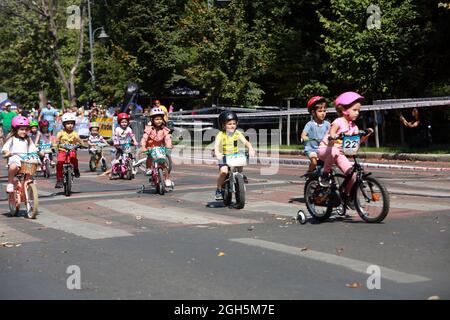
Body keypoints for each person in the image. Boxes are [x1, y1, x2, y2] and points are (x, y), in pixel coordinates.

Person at [317, 92, 373, 205]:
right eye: (355, 110)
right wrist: (333, 135)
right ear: (344, 110)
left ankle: (346, 195)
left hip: (339, 154)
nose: (357, 113)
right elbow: (332, 132)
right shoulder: (338, 122)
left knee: (353, 175)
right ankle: (324, 175)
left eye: (358, 110)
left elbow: (357, 142)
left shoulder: (354, 127)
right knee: (334, 150)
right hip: (326, 150)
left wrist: (366, 135)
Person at [213, 111, 256, 201]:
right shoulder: (221, 135)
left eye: (234, 123)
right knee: (223, 172)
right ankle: (219, 189)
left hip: (234, 155)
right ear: (223, 125)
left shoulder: (237, 133)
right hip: (223, 156)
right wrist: (217, 152)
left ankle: (239, 176)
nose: (232, 125)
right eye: (229, 124)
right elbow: (216, 146)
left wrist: (250, 148)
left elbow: (245, 142)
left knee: (240, 163)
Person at [2, 116, 39, 193]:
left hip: (25, 163)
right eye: (22, 129)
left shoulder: (28, 139)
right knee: (12, 167)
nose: (24, 132)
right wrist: (7, 152)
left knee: (33, 164)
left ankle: (30, 185)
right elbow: (5, 148)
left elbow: (33, 149)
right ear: (15, 129)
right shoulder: (12, 139)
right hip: (15, 162)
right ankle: (10, 183)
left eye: (26, 130)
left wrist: (36, 153)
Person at [140, 107, 173, 186]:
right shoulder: (149, 129)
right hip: (151, 148)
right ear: (152, 120)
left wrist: (168, 146)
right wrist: (143, 146)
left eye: (160, 119)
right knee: (150, 157)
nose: (159, 121)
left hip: (161, 148)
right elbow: (144, 138)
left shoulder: (164, 129)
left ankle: (167, 179)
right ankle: (148, 168)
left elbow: (168, 138)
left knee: (164, 164)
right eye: (156, 119)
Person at [53, 113, 87, 188]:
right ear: (64, 124)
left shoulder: (75, 134)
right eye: (68, 123)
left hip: (72, 151)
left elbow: (79, 140)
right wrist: (54, 145)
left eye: (72, 123)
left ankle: (76, 169)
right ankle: (59, 179)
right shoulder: (60, 133)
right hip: (62, 151)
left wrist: (83, 144)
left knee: (74, 159)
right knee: (59, 163)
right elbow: (56, 140)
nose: (70, 125)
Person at [301, 96, 330, 173]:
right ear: (313, 113)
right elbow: (303, 135)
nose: (323, 113)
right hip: (311, 149)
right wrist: (304, 137)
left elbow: (332, 133)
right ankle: (309, 172)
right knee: (314, 162)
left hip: (323, 149)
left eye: (324, 111)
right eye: (320, 111)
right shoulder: (310, 124)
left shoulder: (327, 124)